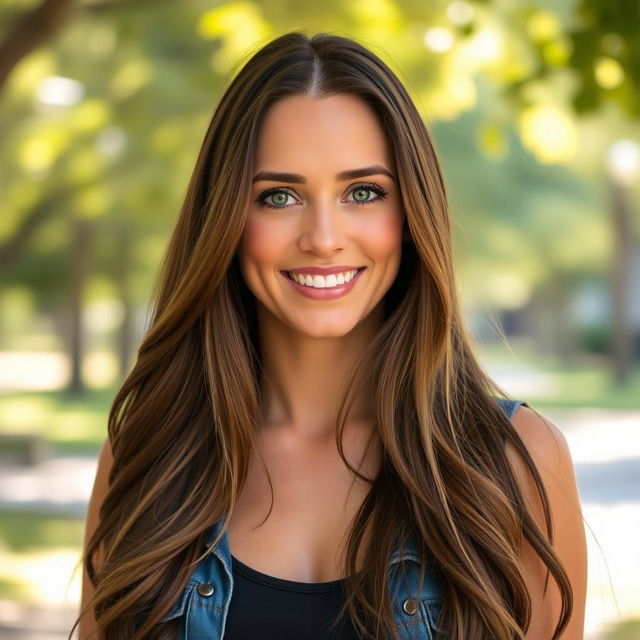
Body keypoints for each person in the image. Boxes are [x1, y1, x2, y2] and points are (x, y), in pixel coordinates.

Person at [72, 31, 587, 640]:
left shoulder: (513, 464)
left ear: (412, 214)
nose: (322, 236)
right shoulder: (150, 452)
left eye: (363, 192)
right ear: (227, 220)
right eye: (279, 196)